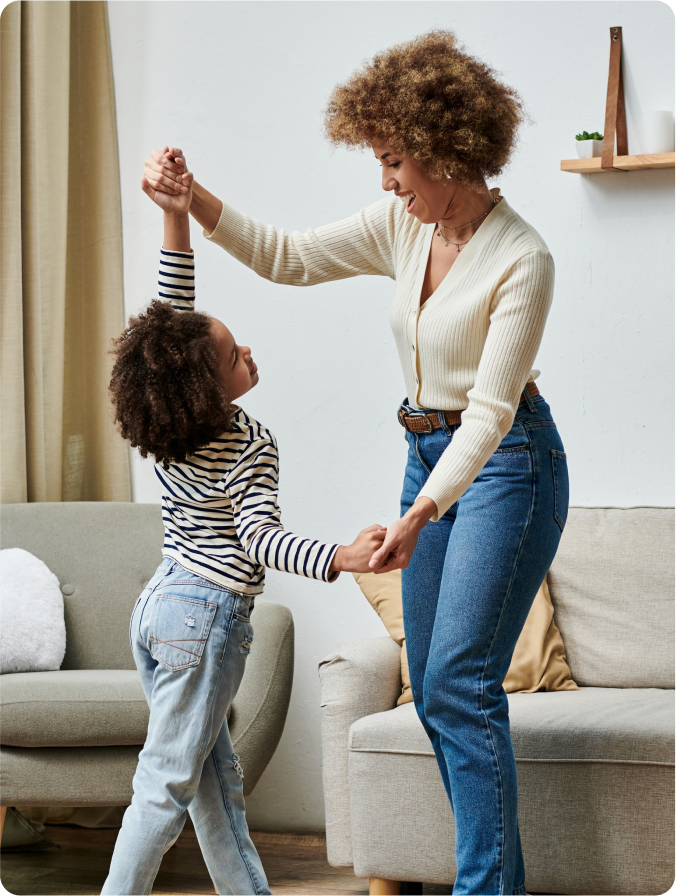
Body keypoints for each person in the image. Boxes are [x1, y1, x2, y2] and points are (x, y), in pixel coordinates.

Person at [143, 29, 569, 896]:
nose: (385, 182)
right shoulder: (400, 228)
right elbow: (289, 258)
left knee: (458, 678)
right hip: (426, 452)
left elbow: (489, 413)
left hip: (508, 465)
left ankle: (487, 889)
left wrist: (424, 512)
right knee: (437, 686)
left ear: (447, 151)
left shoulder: (524, 258)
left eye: (393, 163)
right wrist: (192, 200)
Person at [101, 168, 386, 896]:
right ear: (206, 384)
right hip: (205, 619)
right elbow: (260, 539)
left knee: (213, 786)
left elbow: (172, 313)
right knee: (165, 788)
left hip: (159, 607)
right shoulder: (245, 443)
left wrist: (175, 217)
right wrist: (340, 558)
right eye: (233, 356)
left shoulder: (169, 421)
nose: (246, 352)